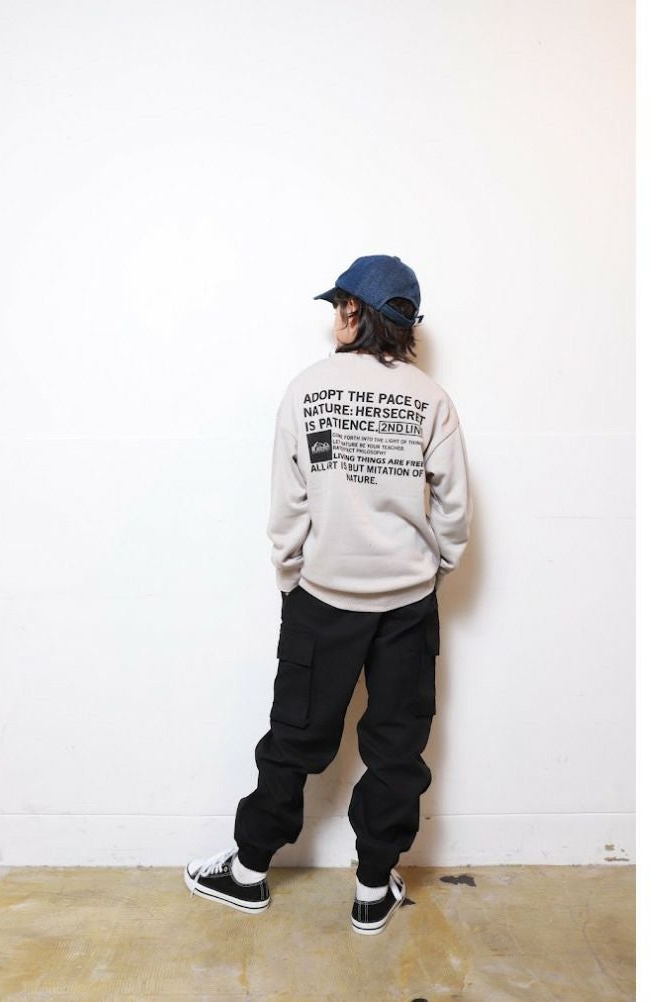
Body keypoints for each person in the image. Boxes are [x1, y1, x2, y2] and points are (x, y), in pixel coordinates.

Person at [184, 254, 472, 934]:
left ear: (354, 311)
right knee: (397, 745)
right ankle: (372, 888)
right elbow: (454, 508)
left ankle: (248, 872)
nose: (336, 318)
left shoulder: (307, 389)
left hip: (322, 597)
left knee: (295, 736)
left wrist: (291, 573)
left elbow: (288, 502)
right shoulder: (431, 398)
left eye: (339, 306)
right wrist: (432, 570)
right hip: (407, 604)